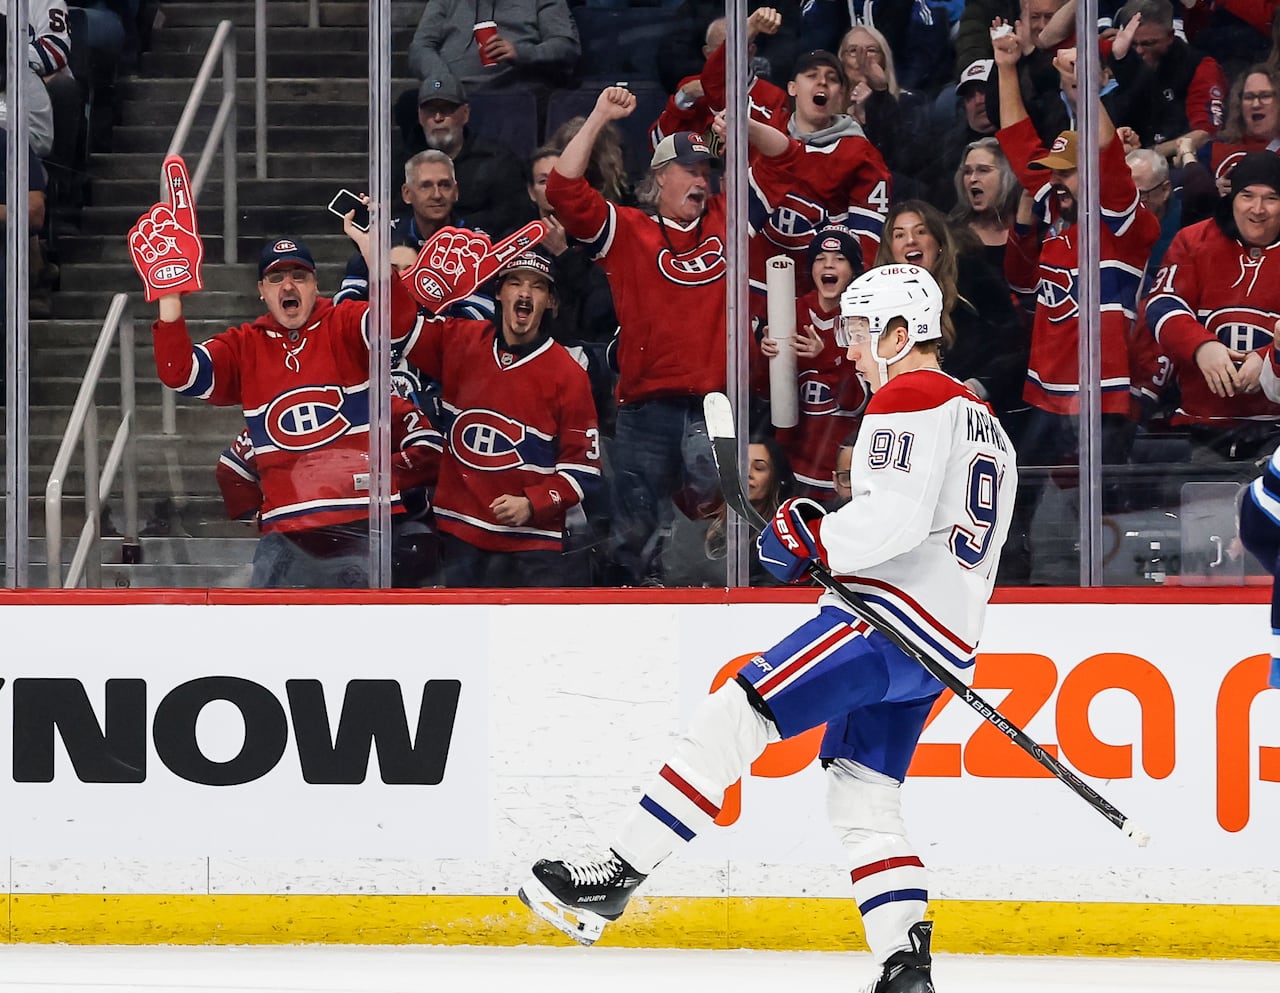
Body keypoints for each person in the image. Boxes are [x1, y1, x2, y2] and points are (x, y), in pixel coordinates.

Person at [518, 263, 1017, 993]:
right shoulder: (989, 426)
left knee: (734, 711)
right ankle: (904, 964)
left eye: (858, 331)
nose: (848, 349)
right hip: (942, 646)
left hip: (881, 625)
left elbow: (892, 520)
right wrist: (815, 529)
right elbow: (940, 529)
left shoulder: (910, 393)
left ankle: (617, 872)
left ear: (901, 332)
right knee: (861, 792)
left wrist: (809, 536)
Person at [133, 162, 425, 588]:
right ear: (262, 290)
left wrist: (375, 258)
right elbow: (179, 373)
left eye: (299, 276)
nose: (289, 286)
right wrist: (169, 295)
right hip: (288, 532)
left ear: (315, 283)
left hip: (364, 521)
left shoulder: (344, 322)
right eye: (276, 277)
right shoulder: (244, 343)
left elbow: (397, 322)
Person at [547, 88, 727, 587]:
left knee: (716, 514)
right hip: (646, 408)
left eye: (706, 172)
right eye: (689, 171)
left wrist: (736, 134)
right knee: (633, 531)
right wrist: (601, 115)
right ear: (660, 178)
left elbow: (776, 170)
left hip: (713, 404)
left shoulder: (723, 221)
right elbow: (562, 189)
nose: (700, 179)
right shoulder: (629, 231)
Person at [401, 250, 602, 588]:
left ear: (550, 301)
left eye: (537, 287)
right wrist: (384, 268)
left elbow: (584, 469)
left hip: (532, 543)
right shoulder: (460, 340)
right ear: (498, 292)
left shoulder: (569, 374)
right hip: (460, 532)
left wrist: (533, 503)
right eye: (515, 283)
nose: (524, 293)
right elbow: (397, 328)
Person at [1141, 151, 1280, 460]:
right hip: (1199, 425)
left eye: (1271, 198)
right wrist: (1202, 347)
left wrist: (1268, 359)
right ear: (1232, 197)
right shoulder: (1194, 240)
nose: (1258, 210)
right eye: (1247, 196)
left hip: (1275, 431)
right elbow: (1162, 304)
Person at [876, 201, 1029, 430]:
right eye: (899, 235)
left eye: (921, 231)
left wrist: (976, 386)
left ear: (938, 242)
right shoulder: (876, 299)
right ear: (891, 250)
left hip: (975, 418)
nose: (910, 240)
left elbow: (1015, 347)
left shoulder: (974, 280)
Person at [756, 223, 867, 498]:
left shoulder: (863, 320)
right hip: (790, 471)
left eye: (839, 259)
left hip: (839, 476)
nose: (828, 265)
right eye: (820, 259)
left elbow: (856, 403)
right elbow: (761, 394)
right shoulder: (789, 311)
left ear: (853, 270)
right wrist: (765, 357)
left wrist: (826, 356)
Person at [334, 149, 493, 321]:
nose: (437, 195)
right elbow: (346, 303)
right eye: (426, 186)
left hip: (448, 345)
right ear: (407, 194)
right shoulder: (385, 235)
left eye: (444, 185)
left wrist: (412, 325)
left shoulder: (477, 244)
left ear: (456, 191)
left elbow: (479, 316)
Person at [397, 75, 537, 239]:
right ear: (420, 116)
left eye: (447, 110)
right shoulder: (401, 163)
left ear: (465, 114)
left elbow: (514, 220)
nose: (438, 118)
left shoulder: (499, 161)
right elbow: (394, 218)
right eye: (430, 111)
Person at [1109, 0, 1228, 158]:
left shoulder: (1199, 66)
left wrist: (1146, 155)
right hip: (1124, 156)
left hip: (1178, 162)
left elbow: (1205, 133)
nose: (1139, 51)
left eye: (1149, 43)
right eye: (1133, 43)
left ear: (1170, 36)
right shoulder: (1120, 56)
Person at [406, 0, 579, 94]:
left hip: (513, 91)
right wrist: (442, 78)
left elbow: (566, 46)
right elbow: (421, 47)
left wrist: (520, 52)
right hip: (453, 94)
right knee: (408, 104)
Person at [948, 137, 1021, 271]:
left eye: (983, 170)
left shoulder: (1031, 232)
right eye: (967, 172)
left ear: (1008, 176)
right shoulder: (951, 235)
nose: (972, 179)